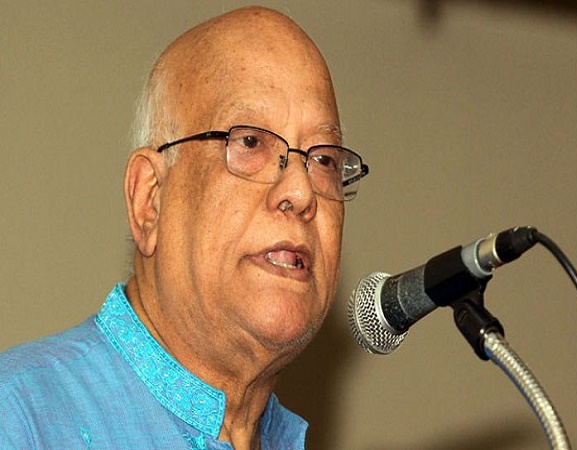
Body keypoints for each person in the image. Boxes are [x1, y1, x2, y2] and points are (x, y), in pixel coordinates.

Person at [0, 6, 368, 450]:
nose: (302, 191)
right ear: (150, 199)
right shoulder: (19, 418)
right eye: (250, 142)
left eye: (324, 160)